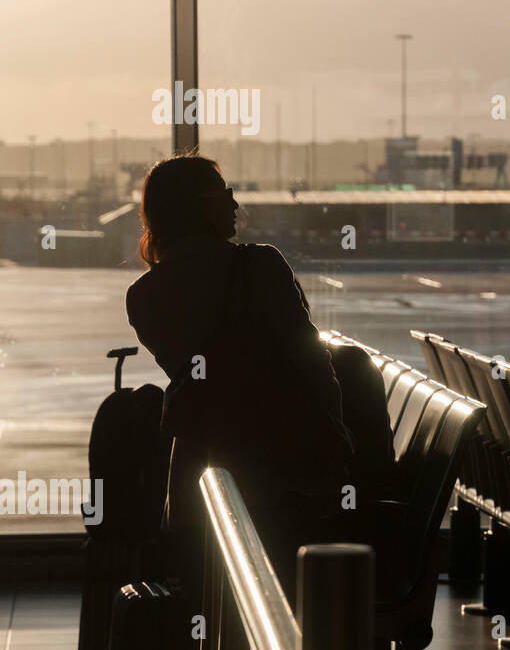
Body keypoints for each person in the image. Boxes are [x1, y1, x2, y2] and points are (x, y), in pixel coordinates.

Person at [126, 154, 355, 598]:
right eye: (225, 195)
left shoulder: (144, 296)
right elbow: (312, 364)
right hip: (281, 470)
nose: (236, 206)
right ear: (197, 206)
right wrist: (339, 440)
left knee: (215, 600)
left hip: (201, 470)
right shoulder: (261, 267)